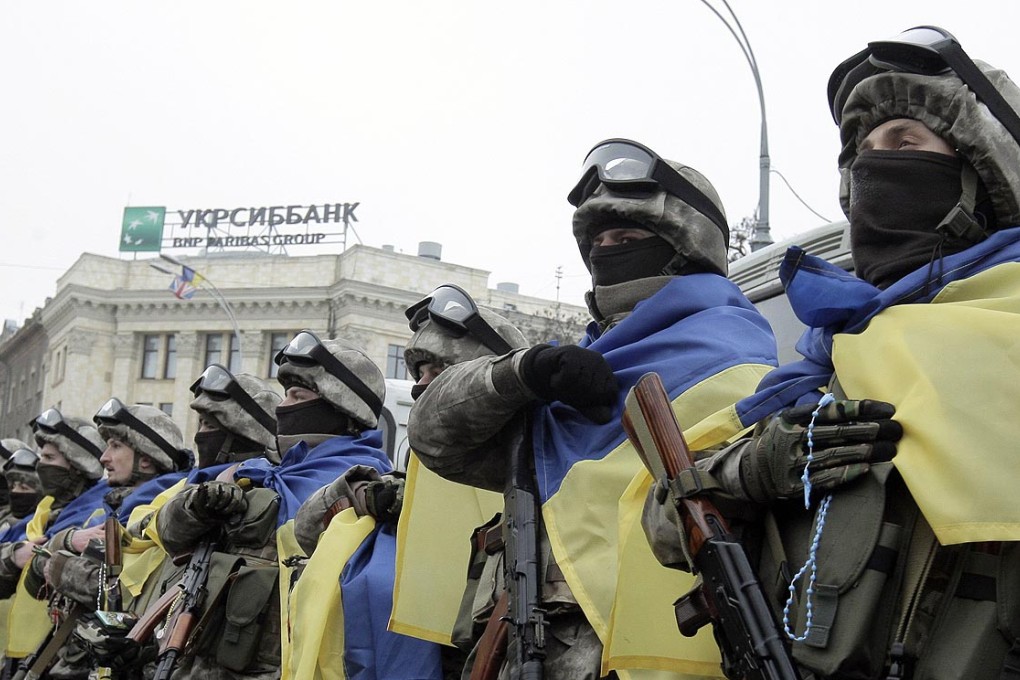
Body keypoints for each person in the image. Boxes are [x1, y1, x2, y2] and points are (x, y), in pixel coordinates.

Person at [644, 25, 1020, 680]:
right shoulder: (831, 358)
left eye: (905, 143)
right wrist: (750, 472)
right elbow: (664, 523)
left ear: (978, 174)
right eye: (864, 152)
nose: (876, 166)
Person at [409, 140, 778, 679]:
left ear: (684, 248)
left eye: (626, 237)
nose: (607, 251)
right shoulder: (570, 380)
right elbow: (436, 438)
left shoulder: (740, 364)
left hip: (671, 653)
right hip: (536, 649)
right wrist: (524, 372)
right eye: (597, 241)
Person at [293, 286, 529, 680]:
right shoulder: (400, 484)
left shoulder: (528, 474)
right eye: (419, 373)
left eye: (438, 371)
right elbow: (307, 533)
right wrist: (359, 494)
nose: (423, 384)